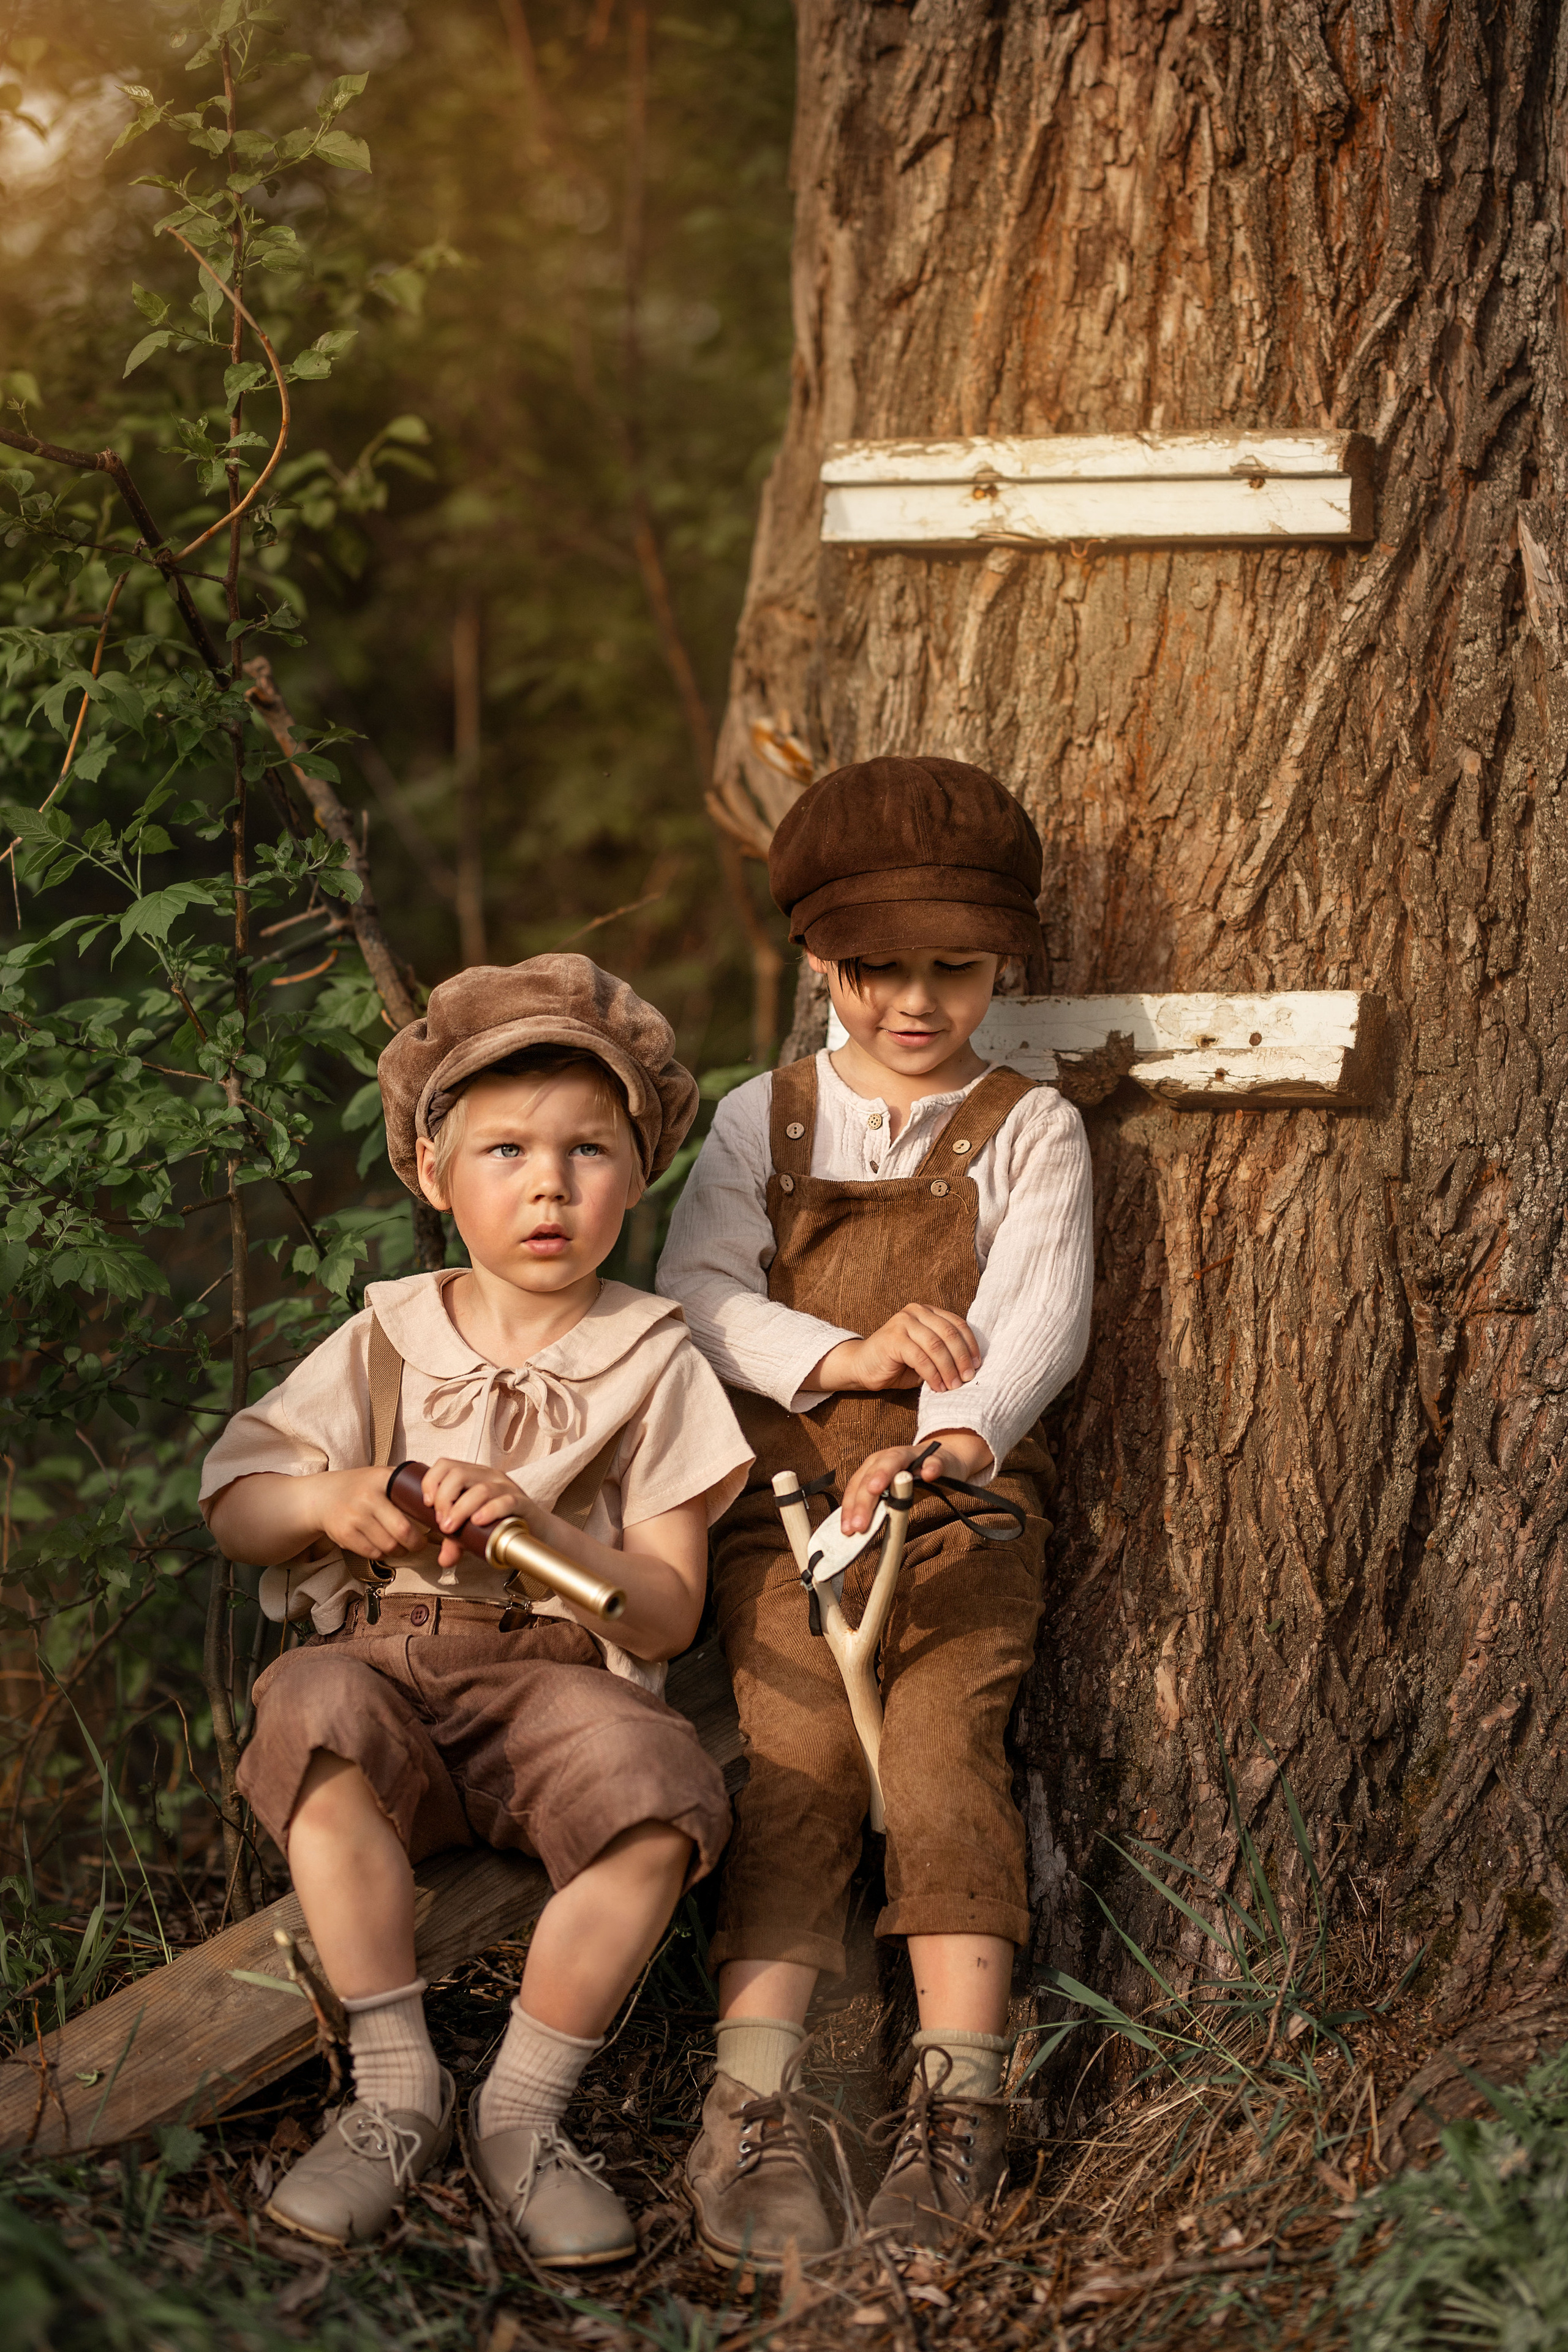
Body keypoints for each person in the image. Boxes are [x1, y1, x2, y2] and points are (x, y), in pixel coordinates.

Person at [203, 956, 748, 2264]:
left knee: (661, 1793)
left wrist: (547, 1531)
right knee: (314, 1703)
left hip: (555, 1682)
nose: (548, 1184)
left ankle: (519, 2112)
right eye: (503, 1150)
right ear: (433, 1175)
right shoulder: (388, 1339)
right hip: (390, 1665)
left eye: (588, 1150)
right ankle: (397, 2091)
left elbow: (666, 1612)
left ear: (641, 1172)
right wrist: (335, 1498)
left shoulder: (655, 1360)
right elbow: (237, 1505)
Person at [657, 756, 1094, 2260]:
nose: (916, 1002)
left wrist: (949, 1442)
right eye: (878, 970)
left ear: (997, 968)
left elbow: (1041, 1313)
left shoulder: (1027, 1128)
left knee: (935, 1746)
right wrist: (839, 1356)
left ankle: (959, 2106)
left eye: (954, 970)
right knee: (793, 1762)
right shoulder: (755, 1120)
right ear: (815, 960)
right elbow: (694, 1298)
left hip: (958, 1504)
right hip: (789, 1510)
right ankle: (757, 2101)